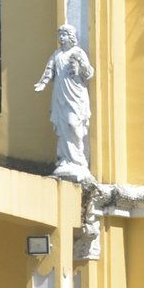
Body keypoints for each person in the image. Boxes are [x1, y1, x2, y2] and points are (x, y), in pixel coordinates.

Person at [34, 24, 94, 182]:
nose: (61, 38)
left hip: (76, 95)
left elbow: (88, 73)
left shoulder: (78, 52)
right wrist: (43, 83)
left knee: (73, 124)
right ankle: (65, 159)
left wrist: (79, 66)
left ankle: (78, 159)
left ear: (71, 36)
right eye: (59, 34)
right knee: (62, 126)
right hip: (60, 95)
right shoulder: (57, 54)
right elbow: (49, 70)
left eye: (64, 35)